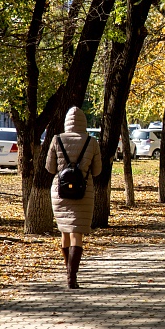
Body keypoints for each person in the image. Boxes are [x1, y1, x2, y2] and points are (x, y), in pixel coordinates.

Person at [46, 106, 102, 289]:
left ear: (66, 123)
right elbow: (97, 170)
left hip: (60, 193)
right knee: (77, 233)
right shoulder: (91, 142)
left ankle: (68, 272)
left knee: (64, 233)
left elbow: (50, 168)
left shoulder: (56, 140)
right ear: (84, 122)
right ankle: (72, 277)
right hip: (83, 192)